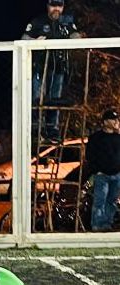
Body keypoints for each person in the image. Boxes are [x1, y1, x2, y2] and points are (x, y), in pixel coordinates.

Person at [22, 0, 82, 140]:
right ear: (48, 6)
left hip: (58, 68)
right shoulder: (38, 21)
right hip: (40, 67)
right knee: (37, 98)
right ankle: (36, 128)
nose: (56, 9)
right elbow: (24, 38)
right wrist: (35, 42)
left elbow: (75, 35)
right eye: (53, 5)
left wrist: (77, 38)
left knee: (55, 98)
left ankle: (52, 129)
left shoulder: (66, 21)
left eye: (59, 6)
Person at [86, 109, 120, 232]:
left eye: (117, 119)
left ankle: (107, 224)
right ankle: (97, 224)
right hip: (102, 175)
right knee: (100, 200)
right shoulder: (96, 138)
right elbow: (90, 155)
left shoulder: (118, 137)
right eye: (113, 119)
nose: (116, 121)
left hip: (116, 174)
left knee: (112, 201)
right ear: (105, 122)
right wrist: (96, 170)